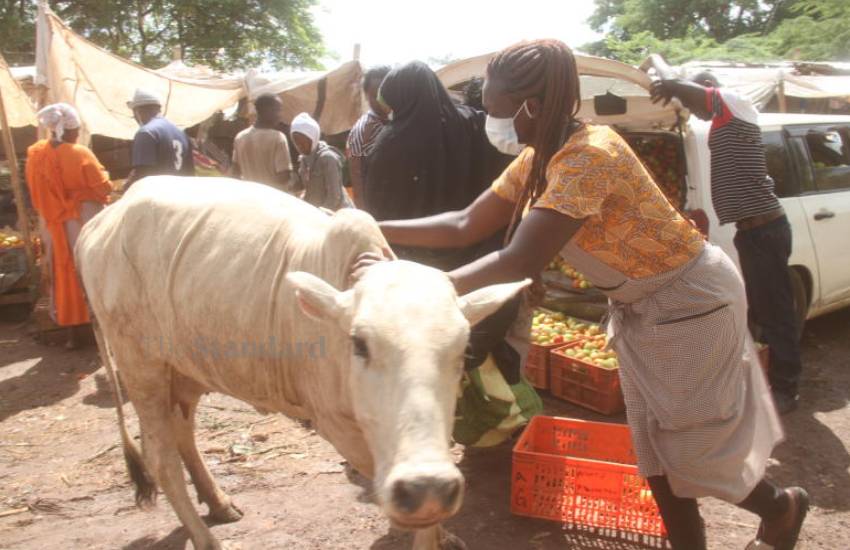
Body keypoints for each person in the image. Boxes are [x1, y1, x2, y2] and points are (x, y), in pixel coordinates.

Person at [354, 40, 808, 550]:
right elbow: (464, 223)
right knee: (656, 458)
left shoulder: (590, 155)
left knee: (694, 452)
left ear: (533, 106)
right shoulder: (538, 158)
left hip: (690, 302)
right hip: (642, 307)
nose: (488, 118)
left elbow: (517, 260)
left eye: (495, 108)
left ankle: (782, 507)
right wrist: (370, 224)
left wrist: (420, 287)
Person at [364, 60, 538, 447]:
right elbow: (505, 192)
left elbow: (379, 212)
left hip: (421, 268)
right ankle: (505, 421)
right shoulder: (477, 126)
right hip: (487, 259)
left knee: (425, 356)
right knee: (493, 343)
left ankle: (437, 428)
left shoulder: (389, 143)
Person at [650, 71, 803, 415]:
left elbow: (703, 96)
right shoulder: (721, 122)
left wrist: (673, 86)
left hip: (766, 230)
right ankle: (763, 381)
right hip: (750, 233)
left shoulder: (736, 103)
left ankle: (786, 388)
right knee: (759, 309)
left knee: (777, 312)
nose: (696, 113)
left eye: (695, 105)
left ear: (707, 91)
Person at [26, 103, 113, 349]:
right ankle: (99, 331)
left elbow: (36, 195)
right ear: (68, 129)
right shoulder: (80, 153)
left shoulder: (36, 155)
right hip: (82, 221)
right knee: (92, 269)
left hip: (53, 226)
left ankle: (72, 334)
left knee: (62, 273)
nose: (78, 134)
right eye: (76, 130)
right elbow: (103, 188)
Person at [124, 89, 194, 189]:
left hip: (156, 194)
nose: (135, 118)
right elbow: (190, 174)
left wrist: (125, 187)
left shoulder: (146, 133)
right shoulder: (181, 133)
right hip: (180, 193)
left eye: (134, 115)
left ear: (138, 111)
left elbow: (142, 174)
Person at [346, 65, 391, 207]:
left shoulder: (388, 122)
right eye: (374, 95)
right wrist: (364, 209)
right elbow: (357, 173)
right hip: (375, 204)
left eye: (384, 93)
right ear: (366, 95)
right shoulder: (365, 128)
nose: (380, 100)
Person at [290, 112, 352, 211]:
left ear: (312, 137)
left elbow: (334, 197)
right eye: (296, 141)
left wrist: (319, 214)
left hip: (336, 213)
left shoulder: (327, 158)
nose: (299, 145)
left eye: (302, 141)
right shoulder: (304, 160)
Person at [232, 94, 293, 191]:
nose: (280, 115)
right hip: (271, 196)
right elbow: (284, 177)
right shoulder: (278, 138)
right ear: (267, 111)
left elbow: (235, 172)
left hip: (249, 194)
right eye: (277, 110)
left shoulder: (240, 137)